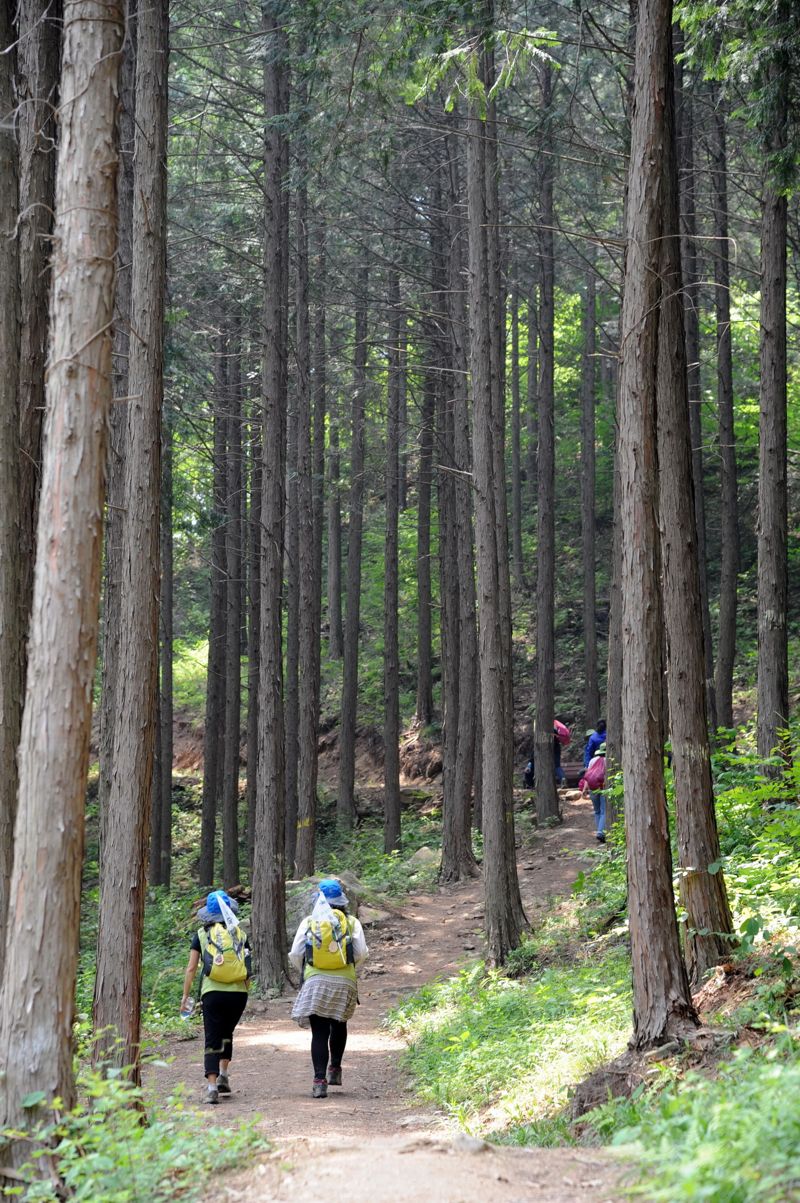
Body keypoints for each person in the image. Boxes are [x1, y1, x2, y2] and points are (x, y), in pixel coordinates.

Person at [289, 877, 368, 1099]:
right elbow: (361, 952)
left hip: (316, 981)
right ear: (341, 901)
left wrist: (307, 970)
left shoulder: (309, 922)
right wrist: (348, 967)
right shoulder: (352, 922)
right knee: (339, 1023)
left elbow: (295, 953)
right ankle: (335, 1069)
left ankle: (319, 1081)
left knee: (319, 1032)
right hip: (345, 980)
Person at [180, 890, 251, 1104]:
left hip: (212, 992)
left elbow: (192, 968)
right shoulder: (240, 934)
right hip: (238, 993)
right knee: (226, 1033)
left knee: (213, 1036)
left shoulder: (201, 935)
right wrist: (245, 990)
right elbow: (248, 967)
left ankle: (212, 1087)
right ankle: (224, 1075)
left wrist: (185, 996)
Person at [579, 743, 607, 843]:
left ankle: (599, 831)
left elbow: (588, 776)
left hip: (592, 788)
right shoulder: (609, 760)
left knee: (597, 811)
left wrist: (584, 789)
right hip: (604, 788)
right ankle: (601, 832)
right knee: (604, 811)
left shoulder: (592, 760)